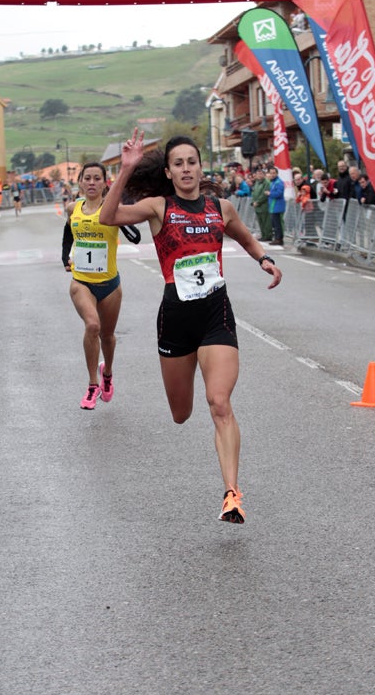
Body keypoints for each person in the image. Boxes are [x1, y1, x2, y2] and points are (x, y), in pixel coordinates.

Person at [99, 130, 282, 524]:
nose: (186, 168)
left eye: (192, 162)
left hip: (216, 315)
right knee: (181, 414)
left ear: (201, 167)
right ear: (168, 171)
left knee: (219, 403)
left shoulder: (222, 207)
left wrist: (263, 259)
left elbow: (246, 238)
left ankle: (232, 493)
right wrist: (126, 168)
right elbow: (108, 217)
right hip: (176, 321)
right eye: (178, 163)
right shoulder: (157, 207)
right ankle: (225, 480)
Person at [64, 161, 125, 410]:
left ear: (104, 183)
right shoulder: (72, 208)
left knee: (107, 336)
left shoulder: (114, 210)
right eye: (87, 178)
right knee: (92, 326)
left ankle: (107, 373)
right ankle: (92, 385)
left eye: (96, 178)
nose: (91, 182)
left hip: (110, 284)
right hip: (82, 282)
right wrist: (65, 256)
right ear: (79, 182)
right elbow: (68, 232)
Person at [251, 166, 273, 241]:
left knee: (266, 221)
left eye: (261, 174)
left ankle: (267, 235)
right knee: (260, 222)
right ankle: (263, 235)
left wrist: (258, 202)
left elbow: (264, 194)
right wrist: (253, 201)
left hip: (264, 205)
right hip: (257, 207)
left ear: (264, 174)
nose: (259, 175)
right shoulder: (256, 182)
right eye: (258, 174)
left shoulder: (266, 182)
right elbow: (254, 193)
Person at [266, 166, 286, 246]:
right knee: (274, 224)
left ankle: (279, 238)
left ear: (277, 173)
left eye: (274, 173)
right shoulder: (272, 182)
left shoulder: (279, 182)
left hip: (277, 206)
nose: (272, 175)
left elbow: (279, 193)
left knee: (278, 224)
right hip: (273, 206)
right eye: (271, 173)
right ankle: (277, 238)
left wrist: (270, 193)